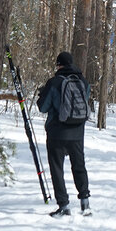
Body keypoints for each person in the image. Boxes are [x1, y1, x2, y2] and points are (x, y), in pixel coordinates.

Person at [37, 51, 91, 216]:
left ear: (59, 64)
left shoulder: (54, 83)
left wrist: (42, 94)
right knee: (79, 166)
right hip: (77, 132)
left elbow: (43, 107)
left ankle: (64, 206)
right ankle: (85, 203)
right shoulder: (83, 81)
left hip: (57, 133)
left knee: (57, 169)